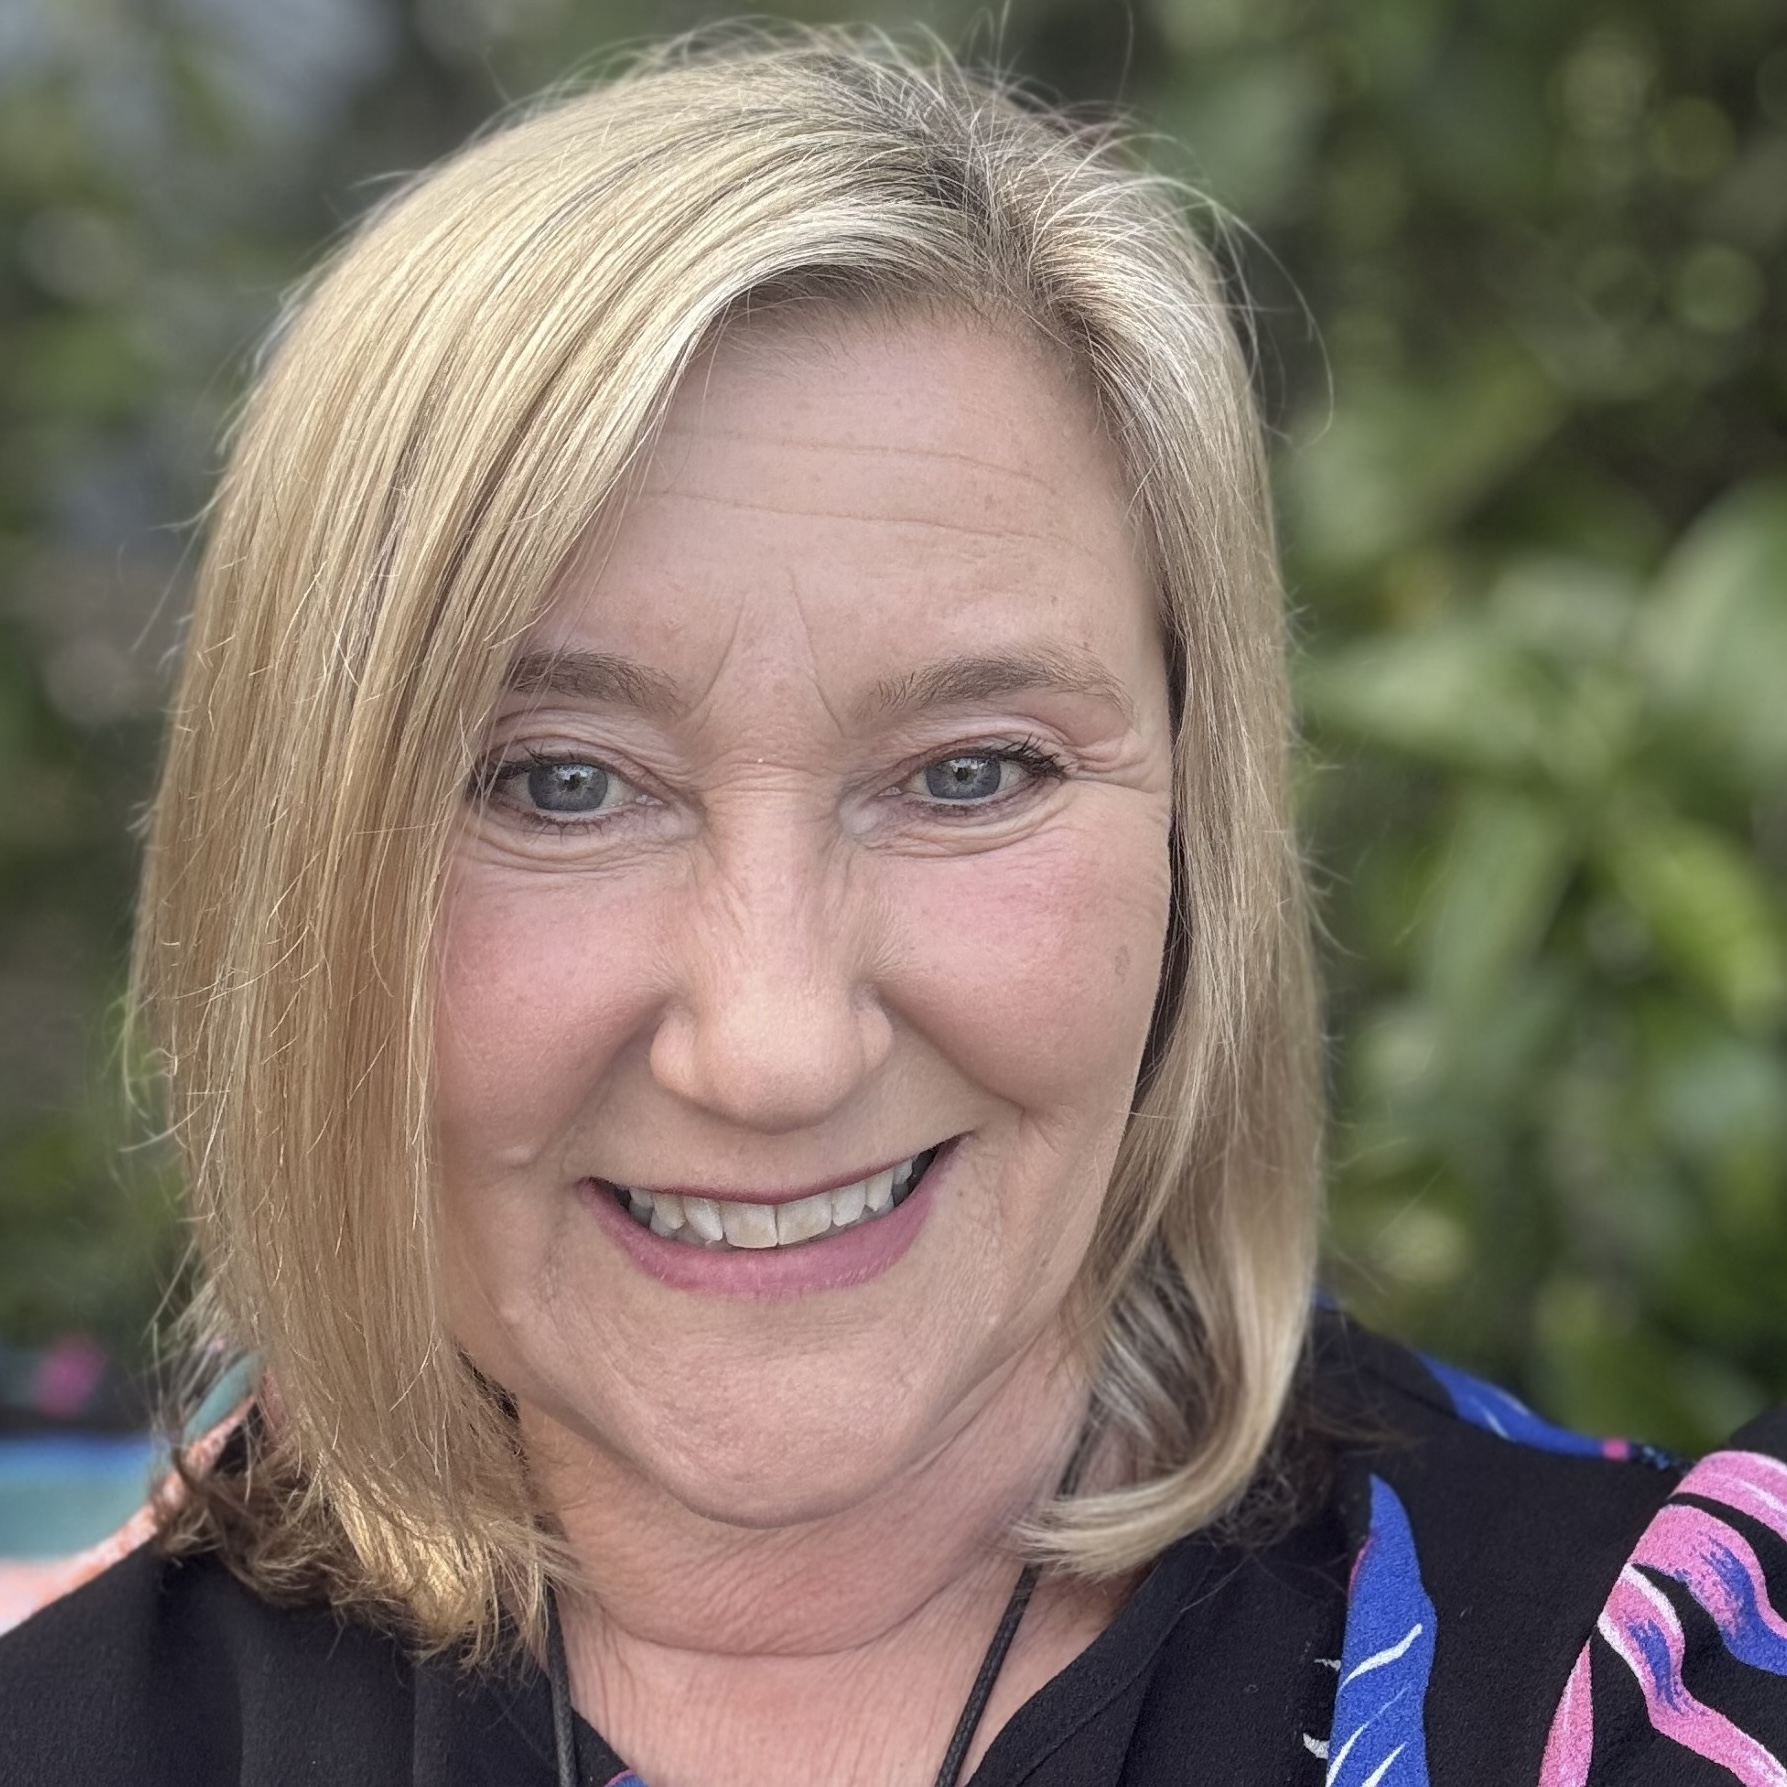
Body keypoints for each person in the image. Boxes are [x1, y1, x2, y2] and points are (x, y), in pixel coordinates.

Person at [0, 30, 1712, 1787]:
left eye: (971, 772)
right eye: (559, 783)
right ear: (298, 877)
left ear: (1195, 839)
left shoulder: (1660, 1685)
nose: (777, 1052)